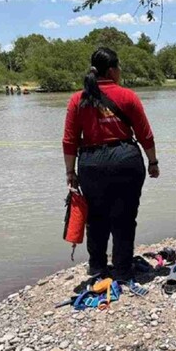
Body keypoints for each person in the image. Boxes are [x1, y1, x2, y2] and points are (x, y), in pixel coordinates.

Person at [62, 47, 159, 282]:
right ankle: (123, 269)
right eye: (119, 68)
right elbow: (145, 134)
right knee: (125, 216)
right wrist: (153, 162)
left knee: (96, 216)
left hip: (91, 164)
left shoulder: (78, 99)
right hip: (125, 159)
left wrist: (70, 172)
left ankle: (97, 267)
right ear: (112, 70)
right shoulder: (127, 96)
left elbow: (69, 140)